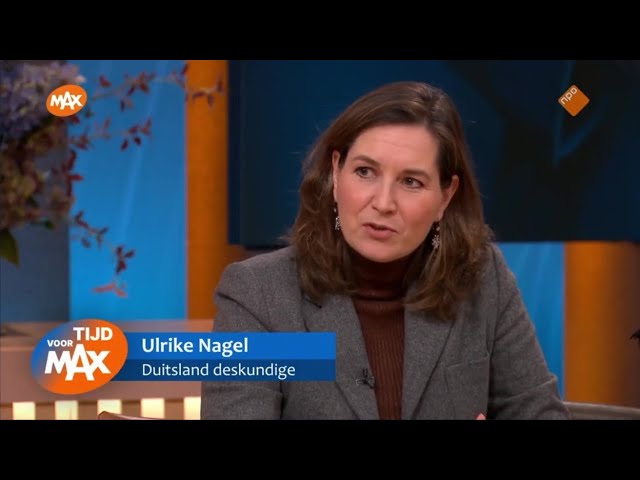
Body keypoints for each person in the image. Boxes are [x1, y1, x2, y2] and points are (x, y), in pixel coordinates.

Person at [200, 81, 570, 420]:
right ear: (335, 172)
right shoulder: (258, 295)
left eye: (411, 181)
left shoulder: (483, 279)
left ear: (446, 197)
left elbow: (540, 413)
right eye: (365, 172)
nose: (383, 203)